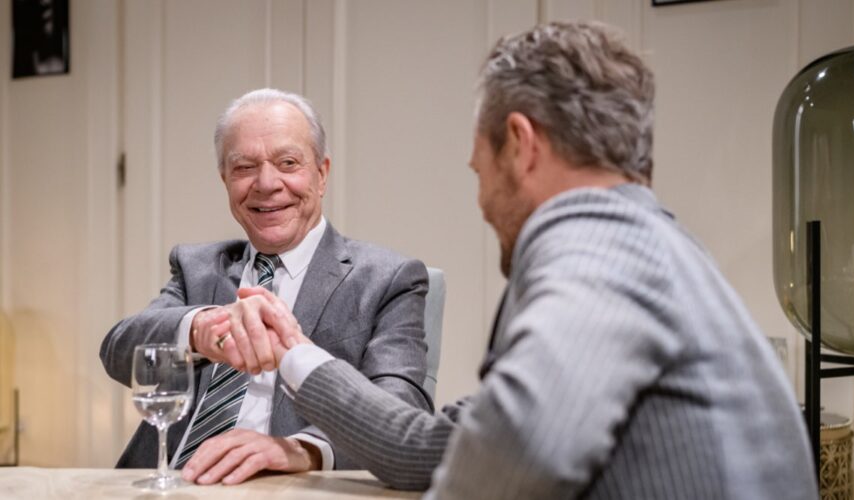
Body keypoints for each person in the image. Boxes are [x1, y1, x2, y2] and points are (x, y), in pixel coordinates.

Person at [238, 20, 820, 499]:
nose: (484, 203)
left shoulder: (595, 246)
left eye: (479, 170)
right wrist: (296, 353)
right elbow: (427, 449)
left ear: (520, 144)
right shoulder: (652, 248)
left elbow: (518, 454)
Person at [99, 88, 432, 482]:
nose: (267, 183)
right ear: (225, 179)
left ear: (322, 174)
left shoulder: (387, 279)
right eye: (244, 168)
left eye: (288, 163)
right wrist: (204, 328)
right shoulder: (197, 267)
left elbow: (402, 410)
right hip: (170, 483)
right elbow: (120, 351)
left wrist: (302, 448)